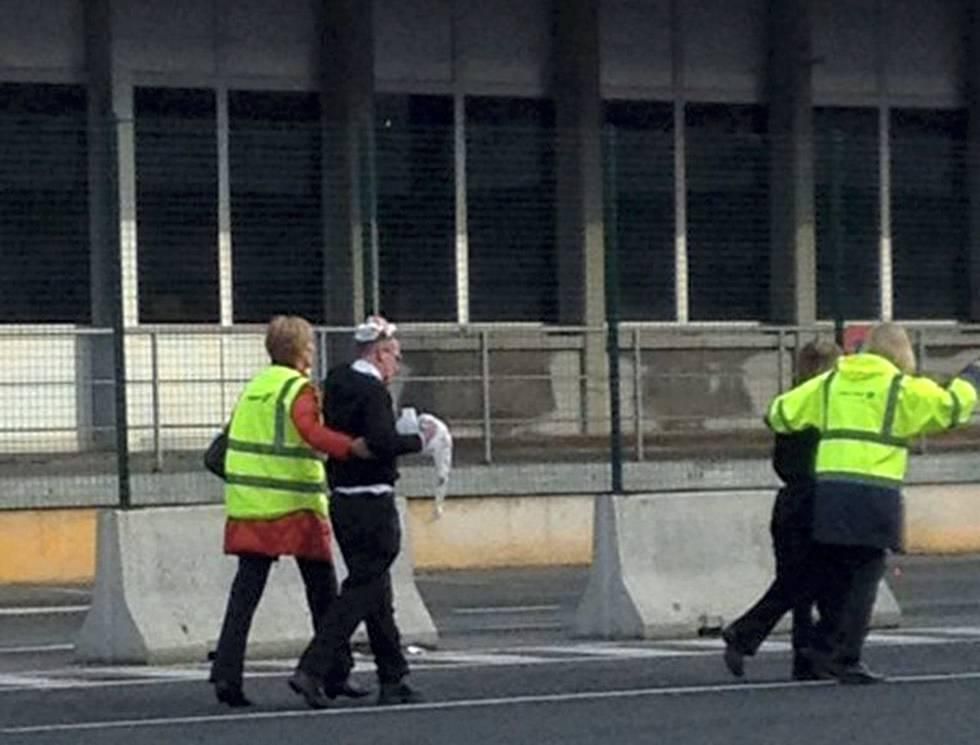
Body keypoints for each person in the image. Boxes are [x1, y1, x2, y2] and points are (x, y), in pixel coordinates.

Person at [765, 323, 978, 684]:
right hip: (875, 492)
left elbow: (779, 414)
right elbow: (953, 408)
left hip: (830, 492)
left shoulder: (832, 382)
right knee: (866, 574)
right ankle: (844, 657)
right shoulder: (903, 388)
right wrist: (972, 375)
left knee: (834, 572)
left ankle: (817, 649)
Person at [209, 315, 371, 707]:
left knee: (245, 595)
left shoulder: (255, 389)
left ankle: (226, 675)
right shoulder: (298, 390)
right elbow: (311, 434)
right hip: (294, 504)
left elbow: (222, 449)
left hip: (251, 504)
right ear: (301, 351)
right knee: (323, 591)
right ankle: (334, 671)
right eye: (311, 345)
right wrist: (350, 448)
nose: (313, 351)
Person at [289, 315, 433, 708]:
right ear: (380, 352)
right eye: (395, 356)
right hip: (373, 499)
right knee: (362, 588)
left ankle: (393, 675)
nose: (397, 366)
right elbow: (382, 441)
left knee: (375, 588)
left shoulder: (335, 381)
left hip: (342, 498)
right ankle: (312, 668)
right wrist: (420, 440)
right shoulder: (373, 392)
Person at [722, 340, 842, 681]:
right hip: (819, 497)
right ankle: (748, 633)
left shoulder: (789, 402)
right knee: (817, 581)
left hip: (788, 499)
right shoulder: (827, 404)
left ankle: (803, 657)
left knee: (796, 582)